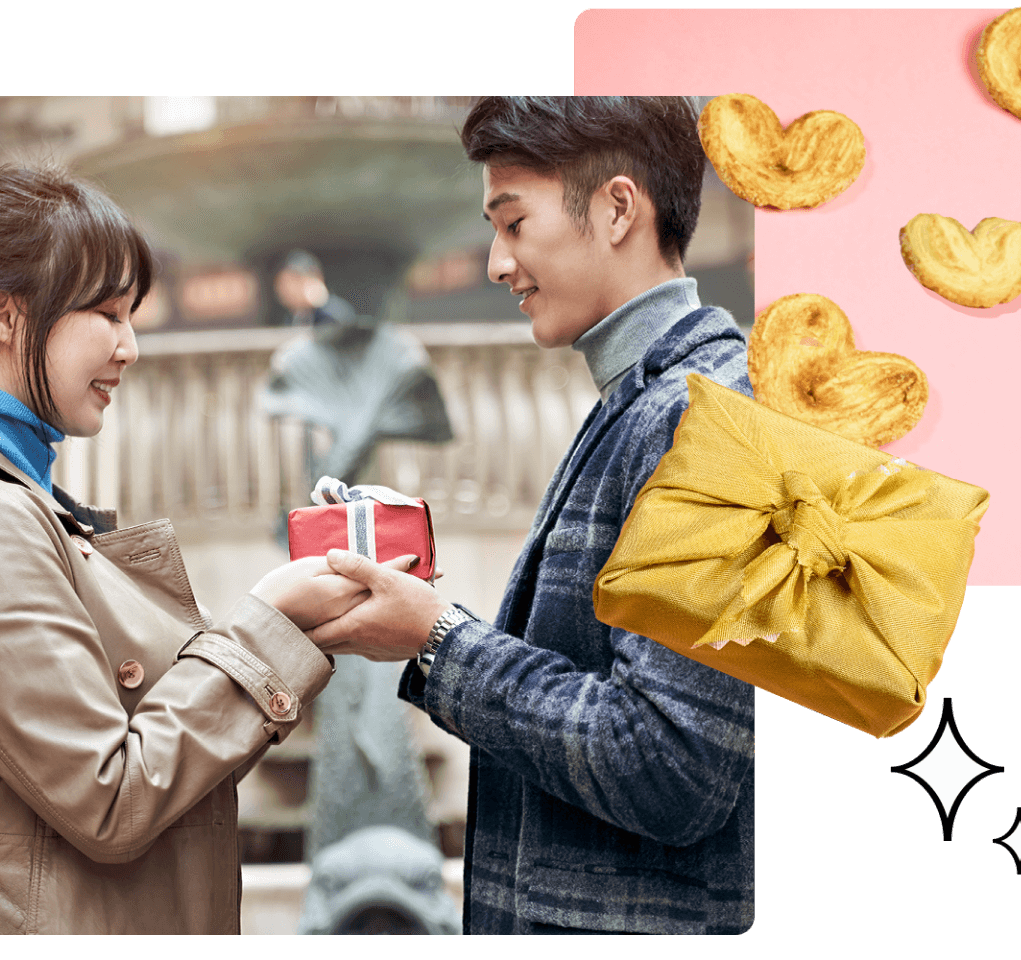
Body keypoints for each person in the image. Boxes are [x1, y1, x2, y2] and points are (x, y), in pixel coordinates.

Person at [310, 97, 756, 934]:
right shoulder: (645, 402)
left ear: (619, 207)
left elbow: (670, 764)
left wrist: (438, 639)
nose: (495, 263)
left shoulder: (701, 415)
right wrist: (432, 619)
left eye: (514, 223)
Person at [0, 165, 383, 934]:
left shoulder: (23, 504)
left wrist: (290, 625)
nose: (129, 348)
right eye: (106, 312)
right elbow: (110, 796)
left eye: (131, 315)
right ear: (3, 314)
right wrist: (270, 623)